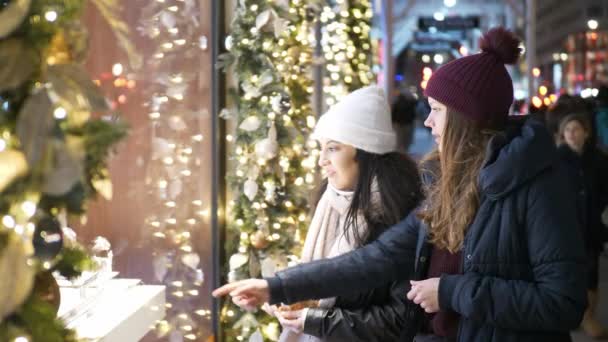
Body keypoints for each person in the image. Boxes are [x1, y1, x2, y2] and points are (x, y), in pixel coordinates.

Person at [214, 27, 588, 342]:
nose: (428, 124)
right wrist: (278, 286)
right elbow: (376, 258)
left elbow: (562, 303)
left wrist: (451, 291)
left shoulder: (536, 184)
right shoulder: (449, 183)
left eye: (437, 112)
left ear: (465, 118)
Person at [259, 86, 424, 341]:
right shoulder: (330, 202)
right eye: (321, 148)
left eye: (333, 148)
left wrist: (316, 321)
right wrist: (290, 296)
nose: (321, 160)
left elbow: (399, 318)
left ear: (365, 152)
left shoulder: (398, 215)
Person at [557, 113, 608, 339]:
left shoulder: (598, 159)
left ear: (586, 132)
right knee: (572, 273)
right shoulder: (556, 159)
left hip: (592, 226)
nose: (572, 134)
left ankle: (588, 316)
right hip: (566, 228)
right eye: (568, 130)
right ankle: (580, 316)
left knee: (591, 273)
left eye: (576, 129)